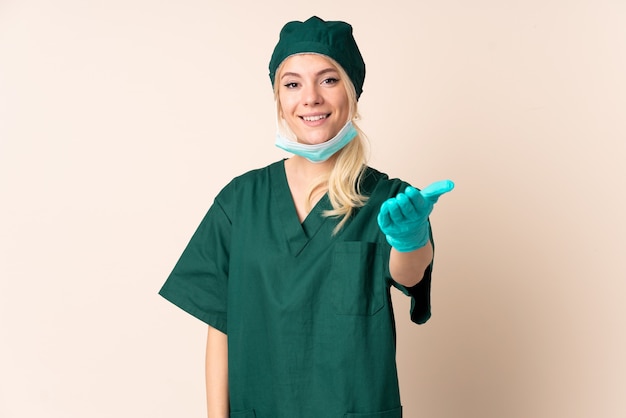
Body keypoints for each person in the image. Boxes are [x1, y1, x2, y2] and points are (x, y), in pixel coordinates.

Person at [159, 16, 454, 418]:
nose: (310, 97)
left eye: (328, 80)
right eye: (292, 84)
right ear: (278, 98)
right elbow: (220, 325)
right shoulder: (240, 202)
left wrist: (411, 239)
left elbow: (409, 274)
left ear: (352, 92)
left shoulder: (389, 199)